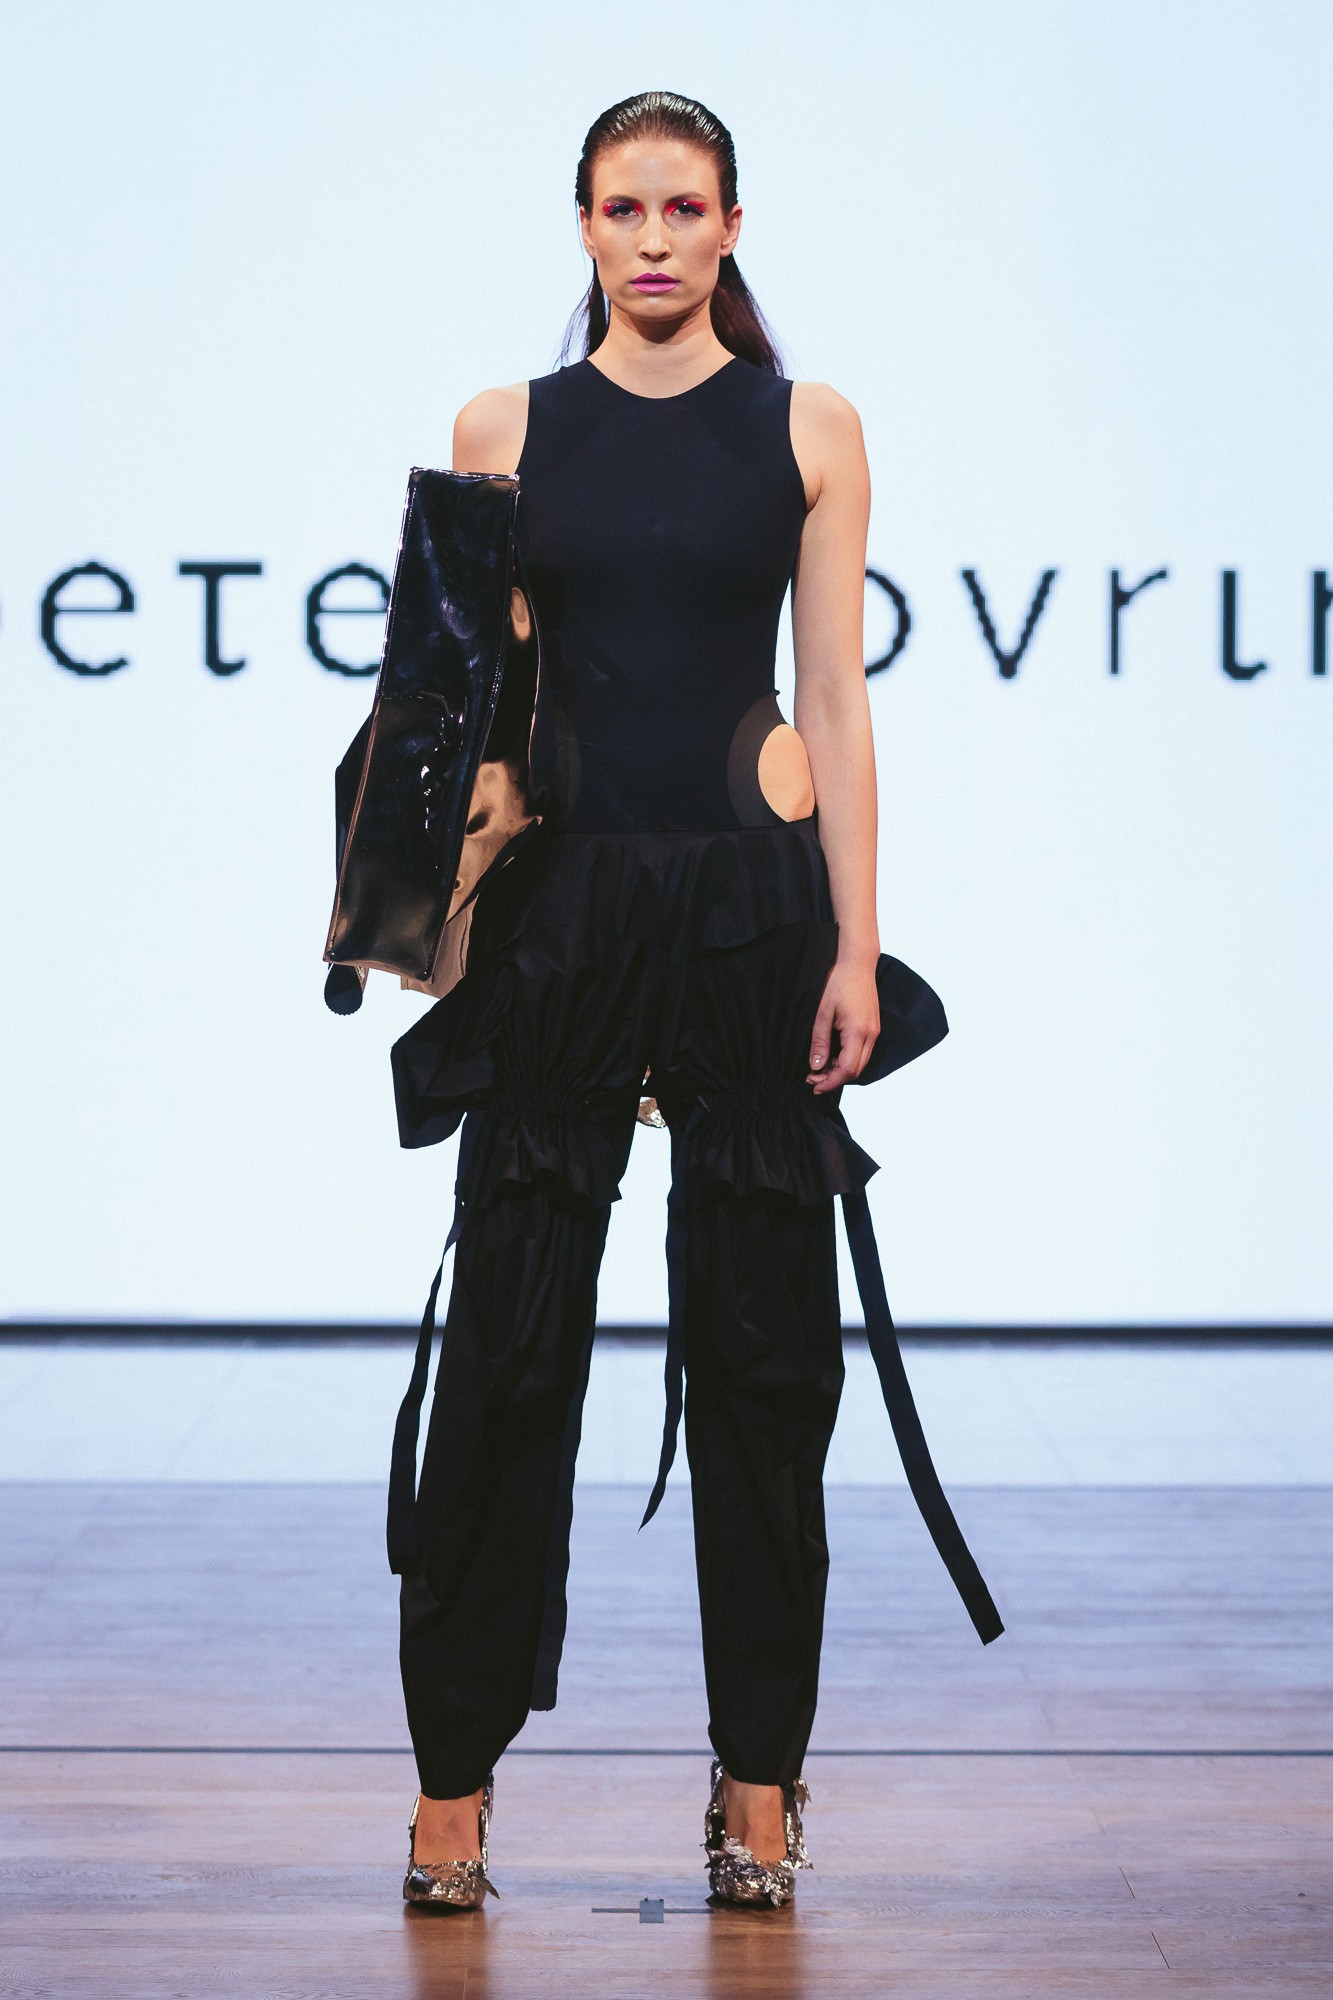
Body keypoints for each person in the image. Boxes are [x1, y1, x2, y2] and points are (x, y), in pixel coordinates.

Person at [391, 88, 884, 1910]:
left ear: (731, 224)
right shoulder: (502, 428)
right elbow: (459, 711)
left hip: (752, 918)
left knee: (766, 1355)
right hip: (564, 920)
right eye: (624, 208)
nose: (654, 238)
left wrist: (856, 945)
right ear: (583, 224)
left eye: (684, 208)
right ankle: (452, 1790)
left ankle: (758, 1786)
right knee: (511, 1346)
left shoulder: (806, 425)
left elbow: (832, 701)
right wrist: (435, 931)